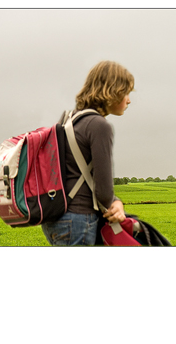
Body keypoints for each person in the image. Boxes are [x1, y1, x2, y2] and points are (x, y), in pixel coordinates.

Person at [42, 60, 133, 246]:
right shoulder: (99, 125)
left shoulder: (69, 120)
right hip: (78, 219)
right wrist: (116, 203)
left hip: (55, 218)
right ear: (112, 91)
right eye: (126, 92)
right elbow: (104, 192)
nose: (129, 100)